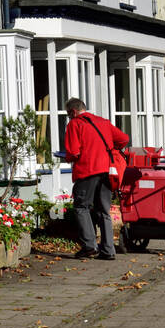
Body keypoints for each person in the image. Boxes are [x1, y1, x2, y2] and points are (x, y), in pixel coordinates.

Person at [61, 97, 130, 259]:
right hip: (107, 170)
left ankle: (89, 246)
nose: (69, 117)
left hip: (87, 170)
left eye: (68, 114)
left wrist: (67, 157)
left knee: (81, 207)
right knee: (103, 210)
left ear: (73, 111)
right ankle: (108, 250)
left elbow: (73, 152)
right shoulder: (103, 122)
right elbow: (124, 139)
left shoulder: (75, 124)